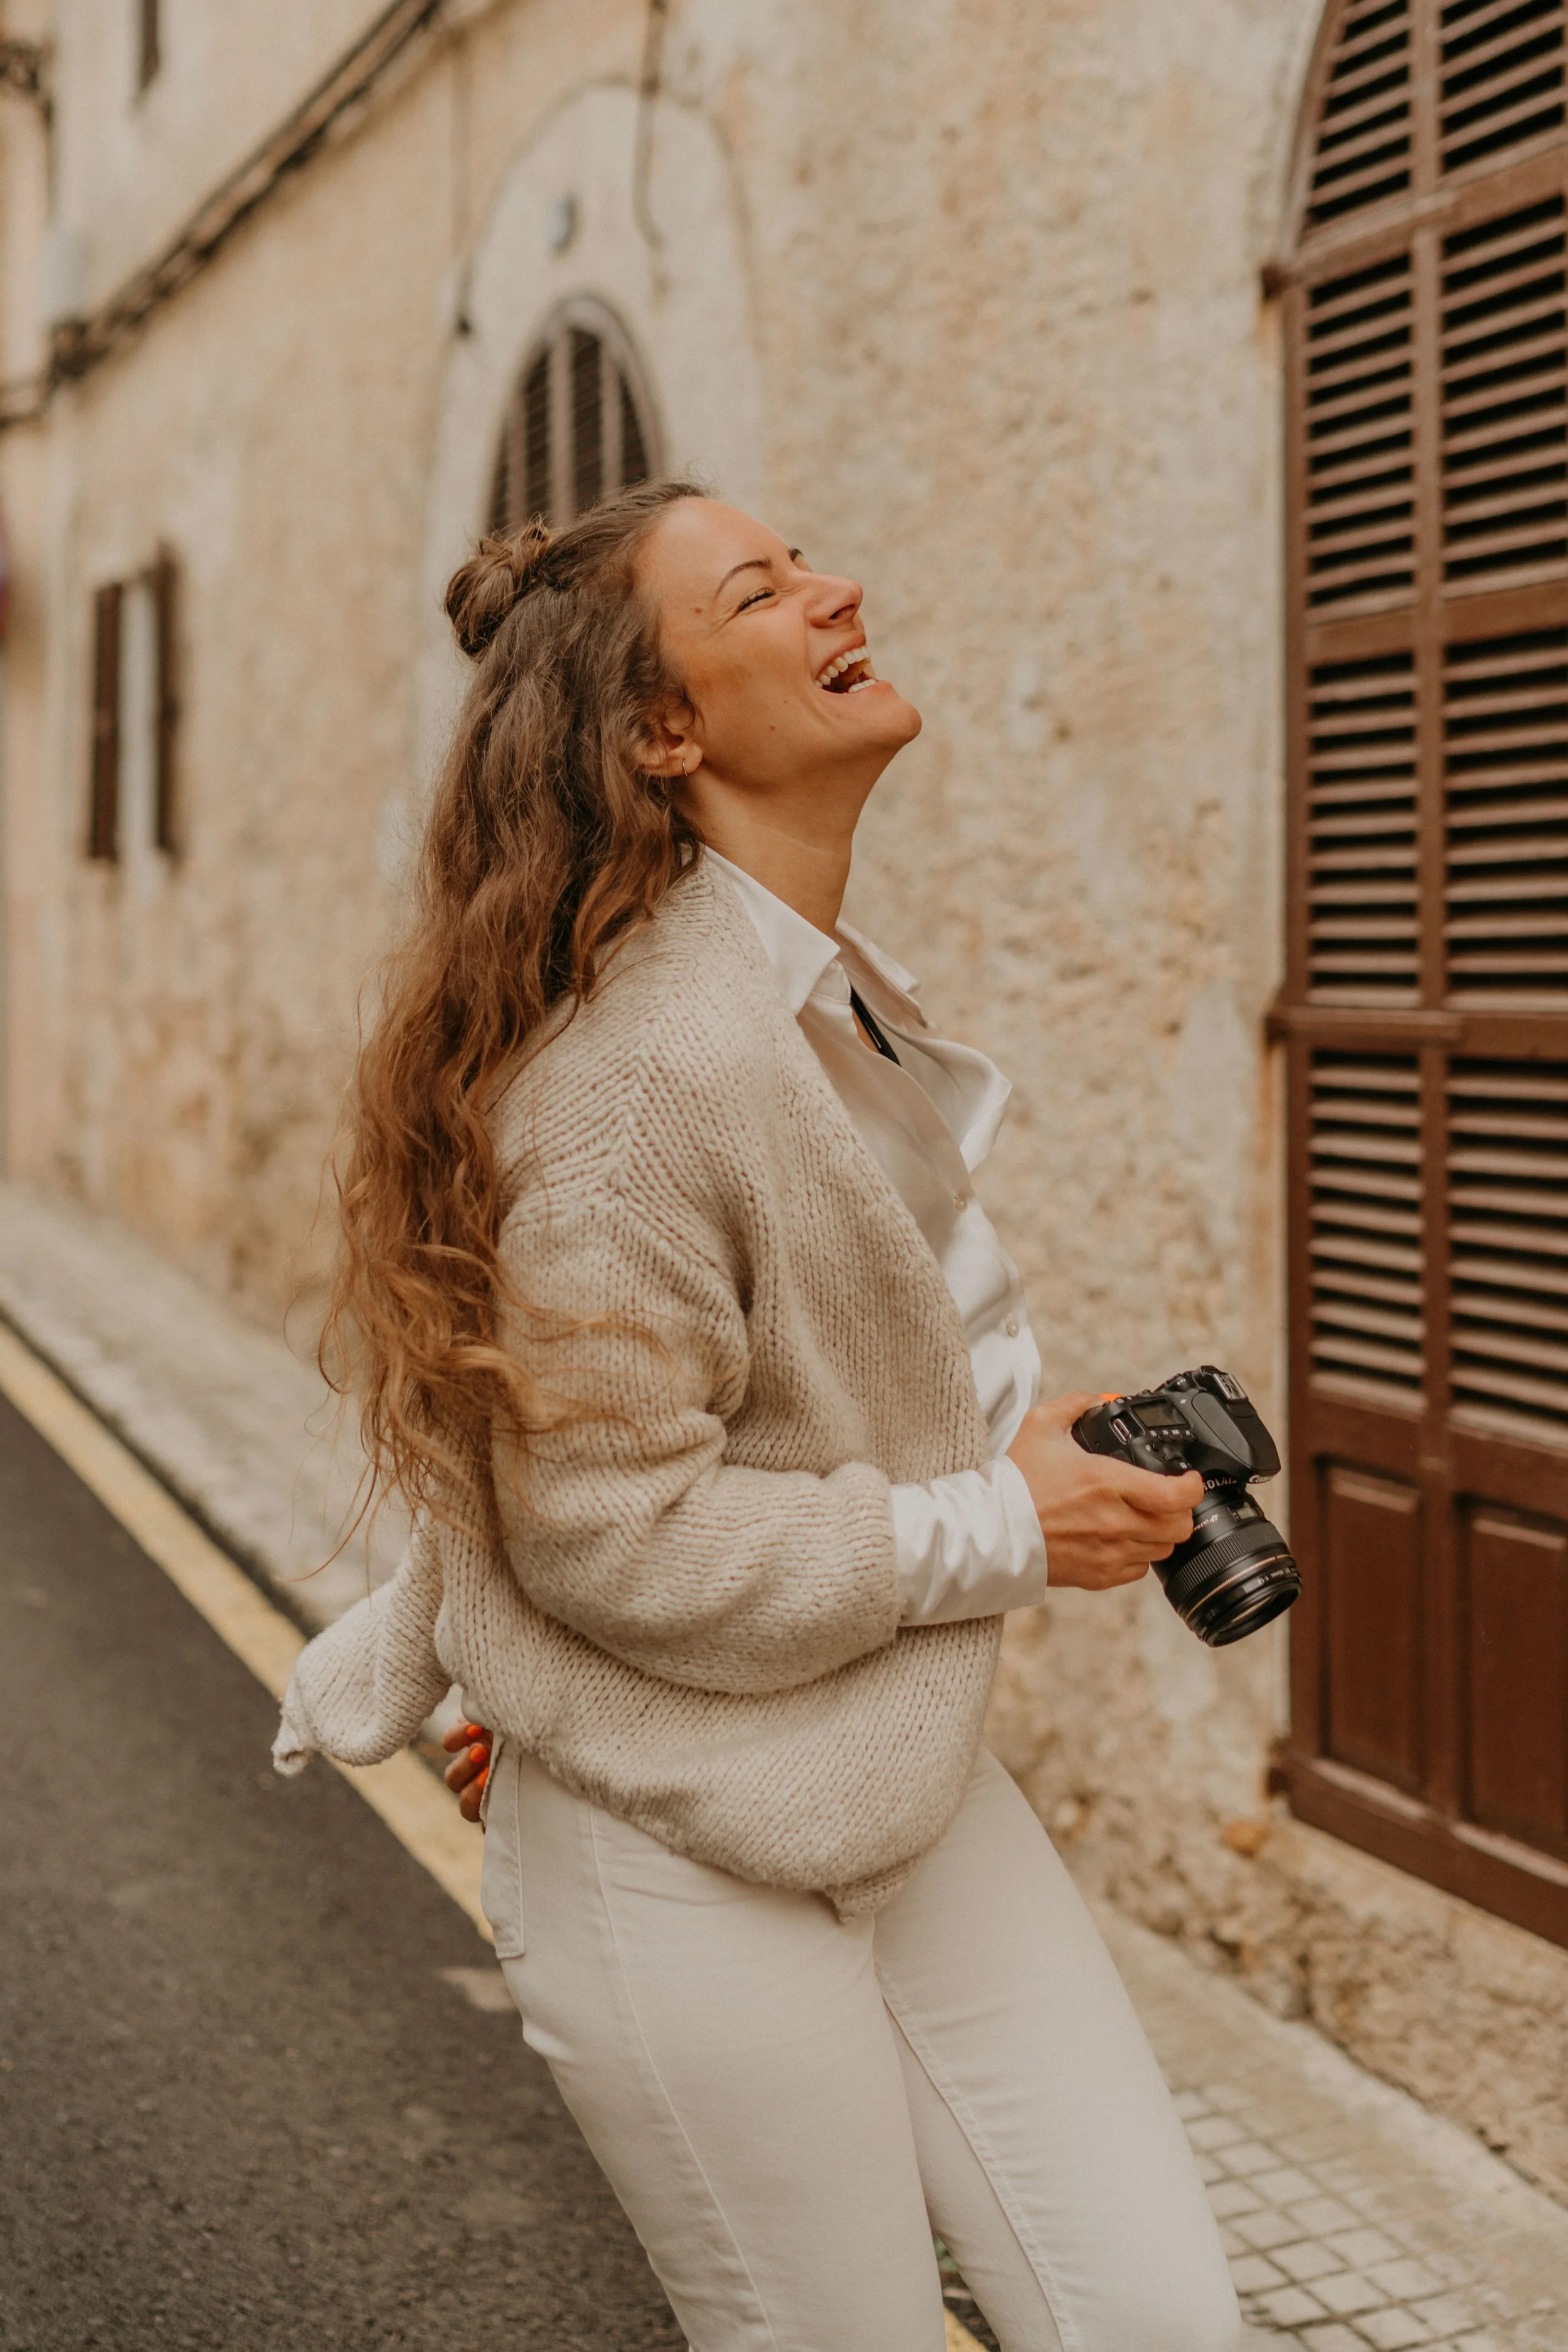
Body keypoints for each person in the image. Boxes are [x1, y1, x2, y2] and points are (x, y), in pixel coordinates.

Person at [274, 479, 1241, 2352]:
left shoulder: (799, 995)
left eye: (806, 562)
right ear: (663, 730)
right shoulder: (636, 1083)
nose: (837, 586)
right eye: (765, 586)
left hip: (896, 1771)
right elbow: (611, 1530)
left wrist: (1048, 1454)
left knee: (1152, 2320)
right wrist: (1003, 1527)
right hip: (675, 1843)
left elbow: (792, 1392)